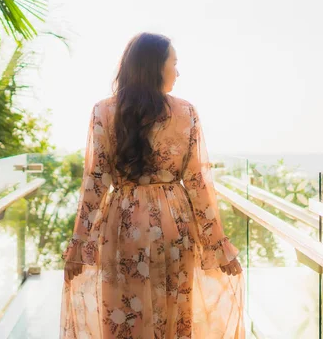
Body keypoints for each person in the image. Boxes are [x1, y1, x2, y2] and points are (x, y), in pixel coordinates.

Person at [60, 33, 244, 338]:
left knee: (124, 319)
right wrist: (218, 245)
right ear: (156, 66)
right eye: (174, 63)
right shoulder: (186, 112)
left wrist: (79, 245)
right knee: (172, 318)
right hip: (175, 226)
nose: (178, 71)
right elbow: (198, 182)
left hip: (123, 227)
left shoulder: (104, 111)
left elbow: (95, 181)